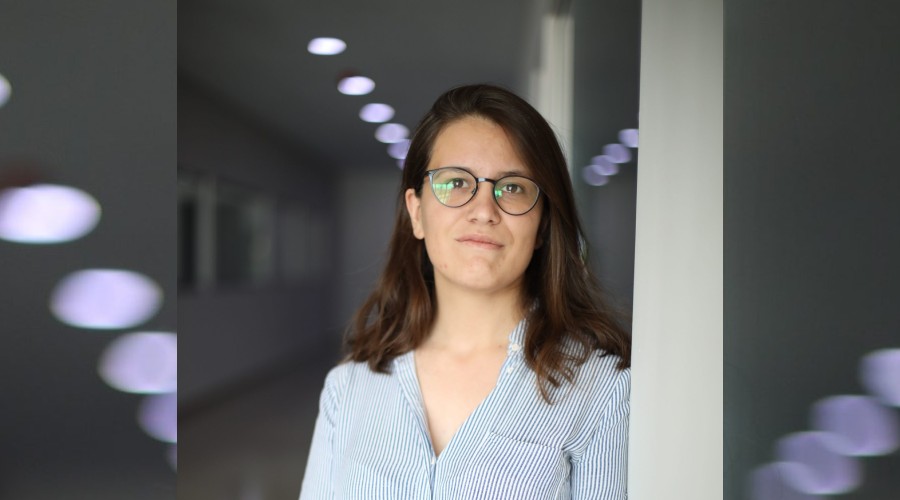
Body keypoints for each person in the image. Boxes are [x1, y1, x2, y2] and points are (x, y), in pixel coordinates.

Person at [299, 84, 631, 499]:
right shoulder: (349, 388)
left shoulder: (602, 390)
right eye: (456, 182)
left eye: (513, 187)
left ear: (542, 224)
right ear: (417, 213)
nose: (484, 210)